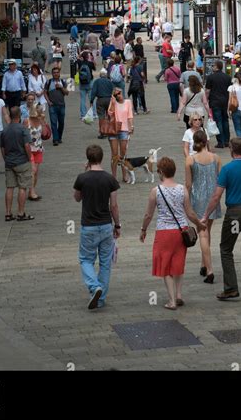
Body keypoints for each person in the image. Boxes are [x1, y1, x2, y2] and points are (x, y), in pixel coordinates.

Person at [200, 137, 241, 305]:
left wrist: (206, 215)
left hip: (235, 215)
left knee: (226, 249)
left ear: (231, 149)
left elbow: (216, 196)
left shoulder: (227, 170)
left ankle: (231, 287)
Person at [140, 156, 205, 309]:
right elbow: (189, 213)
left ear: (161, 172)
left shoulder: (156, 191)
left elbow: (148, 215)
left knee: (165, 266)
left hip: (164, 232)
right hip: (181, 231)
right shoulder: (182, 189)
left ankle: (172, 301)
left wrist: (143, 229)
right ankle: (179, 294)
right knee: (178, 263)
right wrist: (199, 224)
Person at [74, 144, 121, 310]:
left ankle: (94, 287)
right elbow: (114, 206)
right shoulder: (110, 179)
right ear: (102, 158)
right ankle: (100, 299)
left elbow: (77, 198)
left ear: (88, 159)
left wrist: (85, 173)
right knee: (105, 262)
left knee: (86, 259)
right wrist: (118, 225)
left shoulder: (82, 178)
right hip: (106, 225)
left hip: (88, 226)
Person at [185, 130, 221, 283]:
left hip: (198, 199)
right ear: (207, 141)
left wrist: (184, 201)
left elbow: (188, 183)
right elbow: (219, 179)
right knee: (207, 231)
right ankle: (203, 264)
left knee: (202, 233)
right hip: (213, 198)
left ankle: (210, 269)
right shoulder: (216, 158)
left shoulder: (190, 160)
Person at [1, 106, 34, 222]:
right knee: (22, 187)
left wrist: (6, 159)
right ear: (19, 116)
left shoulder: (5, 130)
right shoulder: (23, 129)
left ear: (10, 115)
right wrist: (29, 158)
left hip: (9, 162)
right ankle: (20, 213)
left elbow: (3, 148)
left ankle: (8, 213)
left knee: (9, 187)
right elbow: (27, 145)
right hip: (22, 162)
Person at [107, 88, 134, 182]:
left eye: (120, 92)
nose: (119, 95)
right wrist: (113, 102)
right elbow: (109, 114)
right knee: (114, 154)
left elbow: (130, 116)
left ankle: (124, 175)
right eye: (116, 94)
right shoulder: (113, 102)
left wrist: (131, 127)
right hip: (113, 130)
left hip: (124, 130)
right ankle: (113, 177)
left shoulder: (128, 102)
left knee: (123, 153)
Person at [205, 59, 231, 148]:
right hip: (225, 101)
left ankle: (221, 142)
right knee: (225, 121)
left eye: (213, 66)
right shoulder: (227, 77)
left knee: (218, 121)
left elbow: (208, 91)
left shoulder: (210, 77)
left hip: (215, 102)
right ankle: (227, 140)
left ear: (216, 67)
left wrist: (206, 100)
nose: (212, 67)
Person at [25, 102, 45, 201]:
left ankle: (31, 191)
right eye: (39, 110)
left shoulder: (40, 119)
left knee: (36, 172)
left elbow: (45, 134)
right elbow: (22, 134)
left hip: (39, 148)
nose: (41, 112)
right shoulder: (27, 121)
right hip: (29, 149)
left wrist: (43, 122)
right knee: (33, 171)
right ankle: (32, 193)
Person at [44, 66, 69, 146]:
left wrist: (61, 87)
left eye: (57, 72)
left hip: (61, 105)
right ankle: (55, 139)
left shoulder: (63, 81)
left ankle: (59, 137)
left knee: (61, 123)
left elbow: (67, 93)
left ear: (59, 73)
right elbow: (44, 92)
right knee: (54, 123)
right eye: (54, 72)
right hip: (52, 106)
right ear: (52, 74)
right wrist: (48, 101)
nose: (55, 74)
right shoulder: (48, 82)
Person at [90, 68, 114, 138]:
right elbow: (113, 91)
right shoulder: (109, 82)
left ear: (100, 75)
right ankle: (110, 131)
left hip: (100, 100)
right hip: (109, 99)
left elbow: (93, 92)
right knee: (109, 116)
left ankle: (102, 132)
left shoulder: (97, 81)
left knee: (101, 116)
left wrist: (91, 100)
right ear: (106, 75)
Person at [78, 51, 96, 119]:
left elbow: (77, 58)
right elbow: (95, 68)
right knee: (91, 99)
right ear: (88, 57)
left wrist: (82, 53)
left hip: (82, 83)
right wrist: (92, 59)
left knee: (82, 99)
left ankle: (83, 114)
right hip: (90, 82)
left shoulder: (79, 63)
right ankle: (93, 114)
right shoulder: (90, 63)